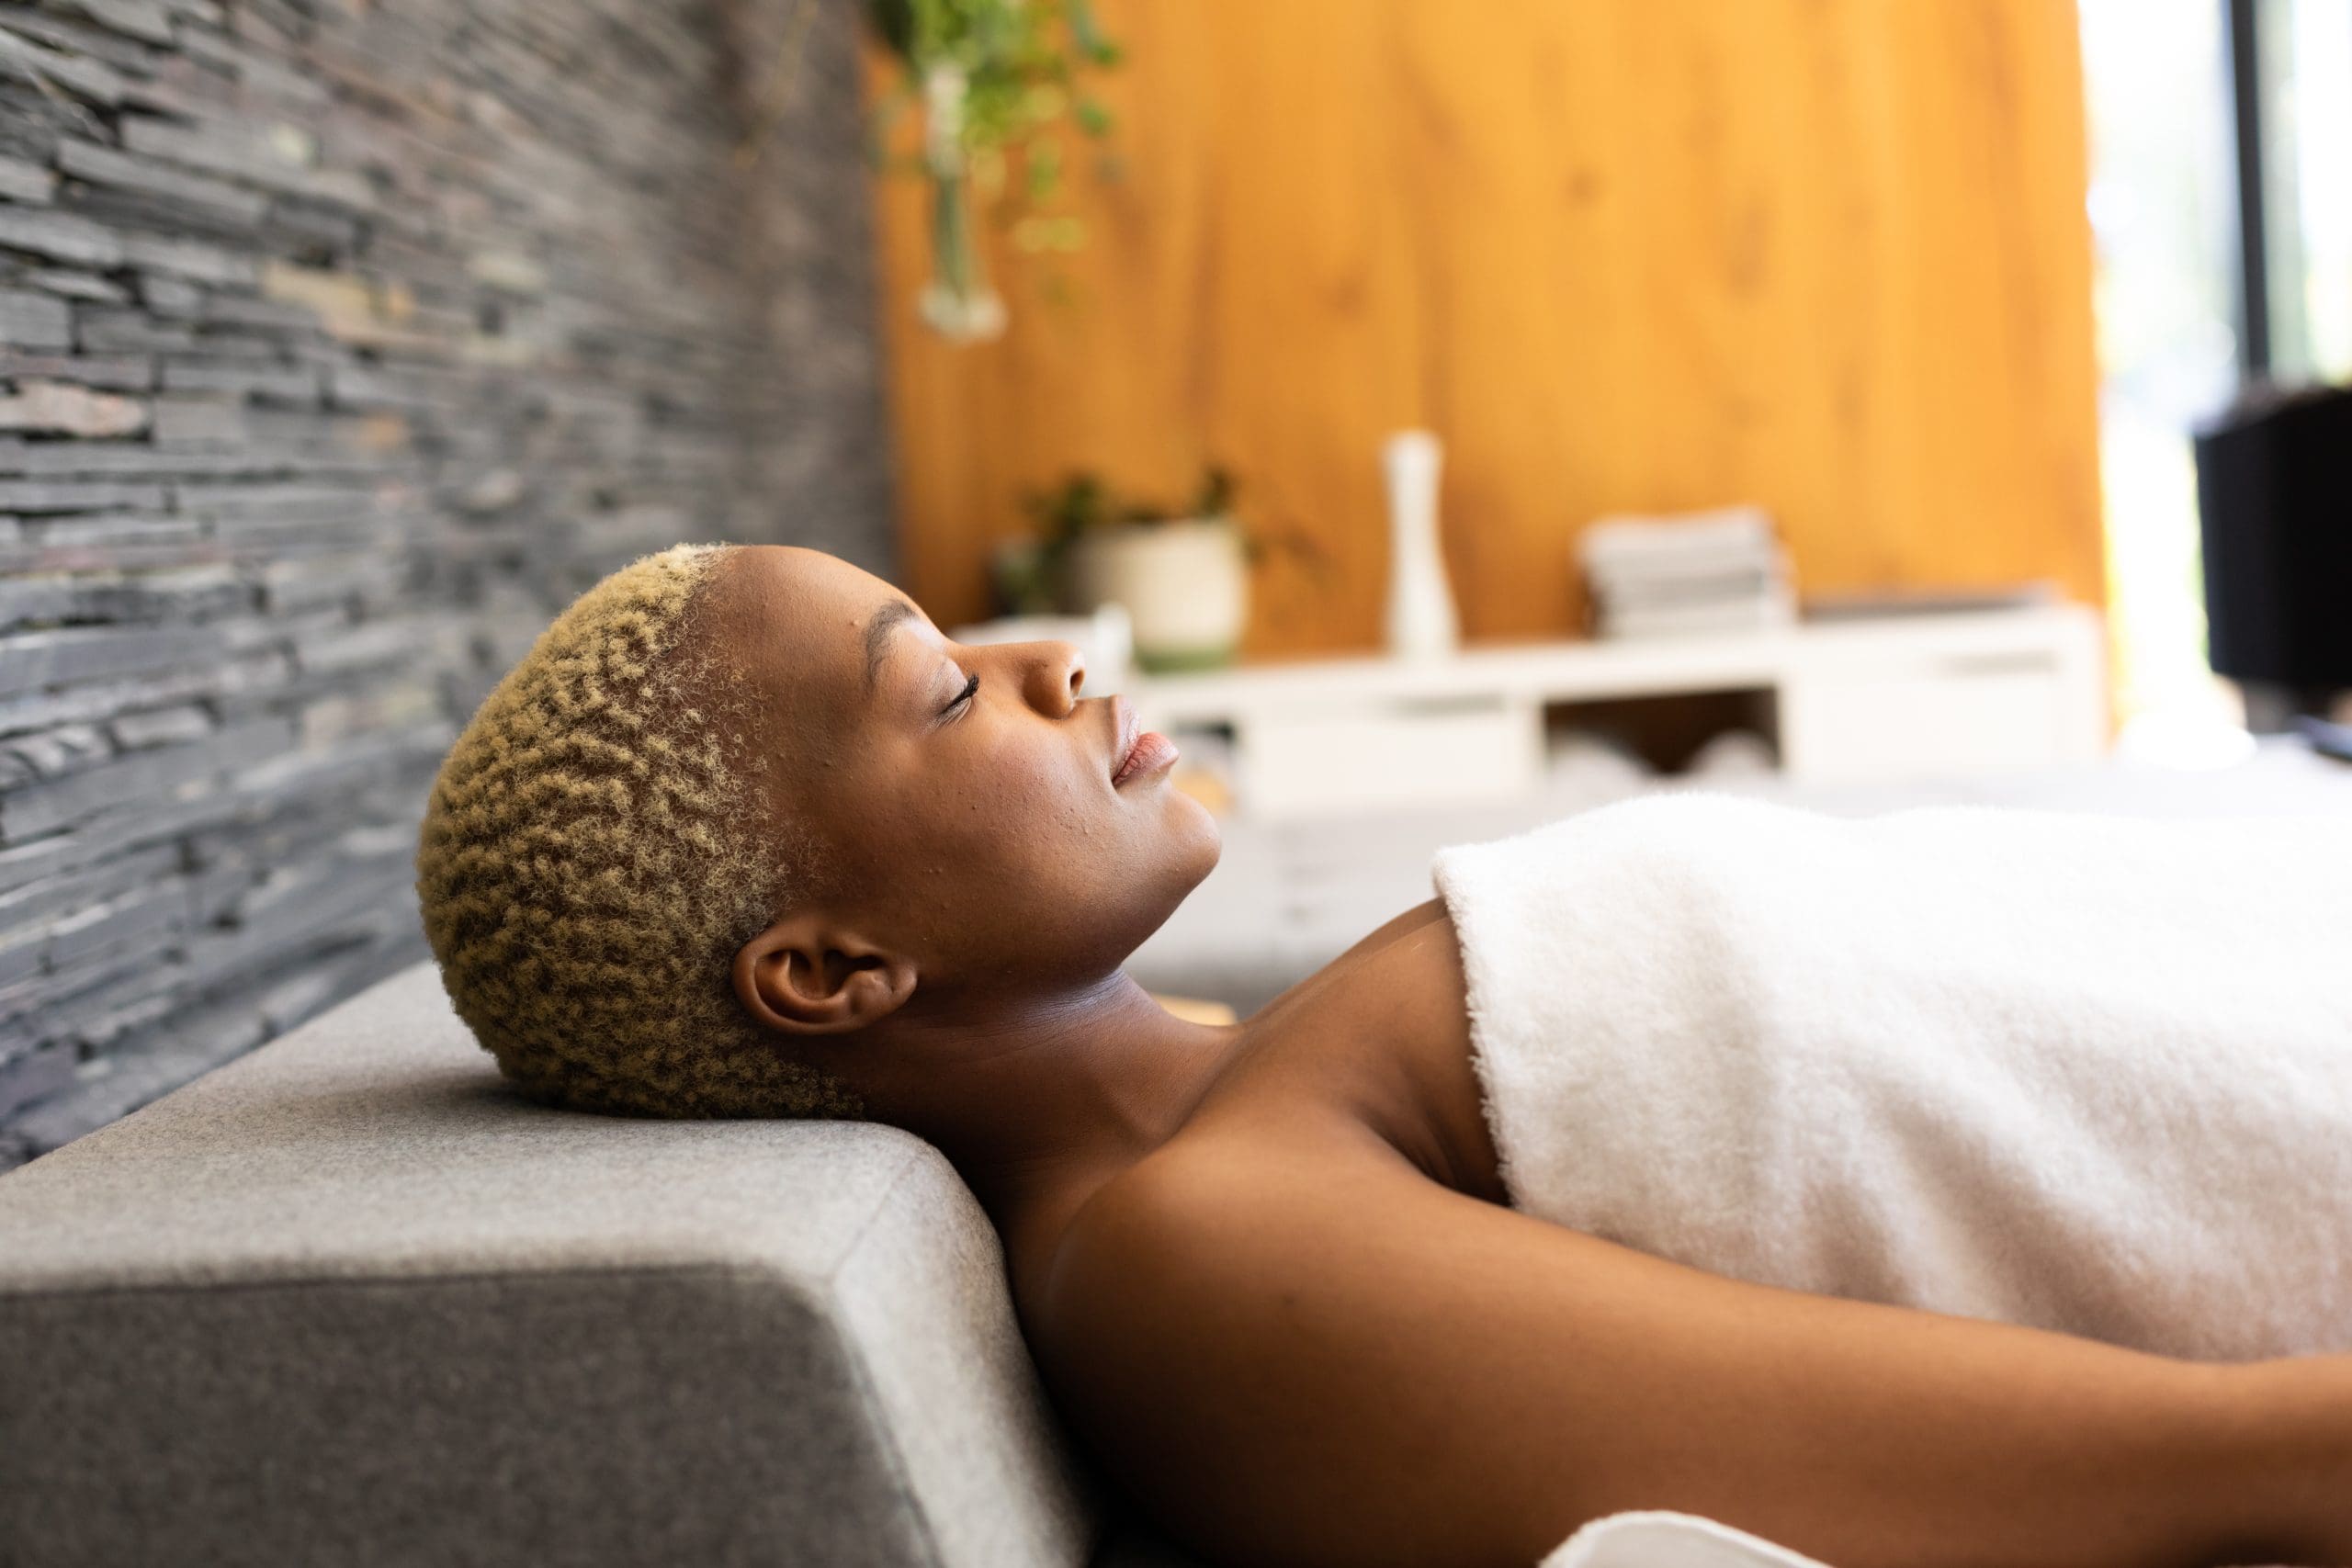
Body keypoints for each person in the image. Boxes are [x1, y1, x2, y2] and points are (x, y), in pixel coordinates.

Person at [414, 543, 2352, 1568]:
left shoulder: (1251, 1081)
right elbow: (2199, 1467)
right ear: (833, 968)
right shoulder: (1195, 1251)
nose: (1056, 660)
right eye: (938, 687)